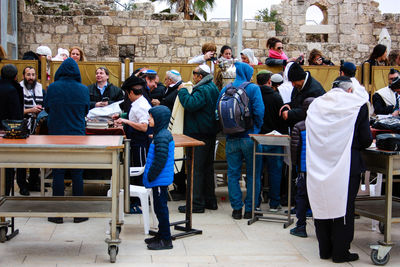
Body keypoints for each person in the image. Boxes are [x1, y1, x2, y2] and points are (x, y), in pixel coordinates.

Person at [306, 76, 372, 263]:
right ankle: (341, 251)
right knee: (344, 206)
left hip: (319, 162)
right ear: (350, 90)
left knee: (322, 203)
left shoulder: (316, 105)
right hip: (347, 163)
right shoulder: (357, 105)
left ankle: (324, 249)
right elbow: (366, 139)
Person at [44, 58, 90, 224]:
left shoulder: (53, 88)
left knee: (58, 172)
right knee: (77, 173)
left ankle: (57, 214)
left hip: (56, 134)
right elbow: (86, 110)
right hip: (77, 135)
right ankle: (78, 213)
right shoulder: (83, 89)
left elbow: (47, 108)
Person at [218, 62, 264, 219]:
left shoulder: (226, 88)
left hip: (231, 138)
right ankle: (250, 209)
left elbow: (217, 113)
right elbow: (259, 111)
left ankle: (236, 209)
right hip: (249, 138)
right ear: (248, 73)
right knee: (253, 174)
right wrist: (256, 129)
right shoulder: (253, 88)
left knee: (233, 174)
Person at [177, 64, 220, 213]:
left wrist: (182, 91)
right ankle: (210, 200)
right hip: (209, 133)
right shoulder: (213, 87)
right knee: (207, 168)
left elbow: (191, 104)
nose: (192, 76)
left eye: (194, 73)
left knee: (196, 169)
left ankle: (196, 203)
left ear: (200, 76)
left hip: (198, 133)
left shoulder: (202, 89)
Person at [143, 105, 175, 250]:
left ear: (159, 119)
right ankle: (161, 235)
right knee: (158, 207)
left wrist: (151, 175)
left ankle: (166, 240)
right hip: (159, 179)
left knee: (161, 209)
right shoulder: (160, 133)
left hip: (159, 179)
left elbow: (160, 159)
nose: (148, 119)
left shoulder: (162, 136)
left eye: (151, 117)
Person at [256, 70, 287, 212]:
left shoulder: (254, 95)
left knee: (257, 172)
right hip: (274, 138)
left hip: (258, 138)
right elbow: (281, 118)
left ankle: (256, 202)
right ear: (269, 81)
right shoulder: (276, 97)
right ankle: (274, 203)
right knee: (275, 172)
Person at [289, 97, 314, 238]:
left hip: (303, 169)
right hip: (319, 169)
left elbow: (295, 149)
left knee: (302, 197)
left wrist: (295, 166)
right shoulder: (324, 125)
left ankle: (301, 226)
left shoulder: (299, 126)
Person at [17, 66, 45, 194]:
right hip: (23, 125)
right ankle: (22, 184)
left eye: (33, 75)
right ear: (23, 76)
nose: (31, 78)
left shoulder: (40, 88)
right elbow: (16, 111)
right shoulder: (18, 89)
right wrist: (30, 110)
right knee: (22, 156)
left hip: (37, 126)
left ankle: (34, 182)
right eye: (28, 75)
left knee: (37, 155)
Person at [0, 64, 24, 196]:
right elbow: (16, 115)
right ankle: (5, 195)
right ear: (15, 76)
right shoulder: (13, 90)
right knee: (7, 167)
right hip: (8, 133)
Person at [279, 62, 325, 128]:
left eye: (293, 82)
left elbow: (309, 110)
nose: (293, 85)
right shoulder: (298, 86)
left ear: (301, 79)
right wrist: (288, 105)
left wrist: (290, 114)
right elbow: (296, 102)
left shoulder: (315, 90)